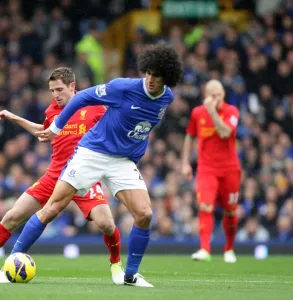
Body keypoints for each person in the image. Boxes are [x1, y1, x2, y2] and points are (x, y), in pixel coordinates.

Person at [12, 44, 183, 287]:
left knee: (144, 214)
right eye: (148, 72)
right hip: (93, 152)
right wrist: (56, 127)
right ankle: (12, 262)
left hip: (122, 161)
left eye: (157, 75)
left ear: (168, 76)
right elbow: (82, 97)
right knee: (53, 208)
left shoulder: (167, 97)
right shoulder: (123, 87)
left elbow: (141, 127)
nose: (150, 79)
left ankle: (130, 276)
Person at [0, 67, 124, 284]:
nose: (55, 95)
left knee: (106, 224)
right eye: (51, 90)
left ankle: (116, 265)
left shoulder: (93, 107)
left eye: (59, 89)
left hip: (84, 176)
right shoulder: (52, 111)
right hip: (55, 175)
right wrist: (13, 118)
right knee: (11, 217)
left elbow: (113, 128)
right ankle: (9, 266)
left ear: (72, 87)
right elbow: (44, 133)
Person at [181, 79, 241, 263]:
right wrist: (185, 162)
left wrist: (213, 112)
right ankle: (205, 249)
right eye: (212, 95)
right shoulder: (197, 113)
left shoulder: (232, 111)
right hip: (206, 168)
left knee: (230, 211)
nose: (216, 98)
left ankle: (229, 249)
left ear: (223, 94)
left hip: (230, 168)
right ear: (206, 95)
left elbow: (225, 133)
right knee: (205, 206)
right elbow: (189, 137)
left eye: (219, 95)